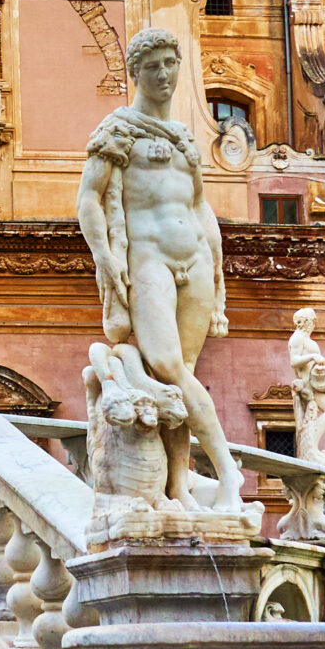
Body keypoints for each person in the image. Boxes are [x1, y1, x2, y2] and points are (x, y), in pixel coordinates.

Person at [77, 28, 242, 517]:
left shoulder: (186, 137)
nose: (165, 74)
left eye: (171, 63)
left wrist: (217, 272)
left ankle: (179, 487)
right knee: (167, 365)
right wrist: (105, 257)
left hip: (194, 258)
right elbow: (88, 198)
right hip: (147, 260)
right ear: (136, 72)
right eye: (154, 66)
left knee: (179, 377)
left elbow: (200, 206)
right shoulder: (119, 130)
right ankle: (228, 469)